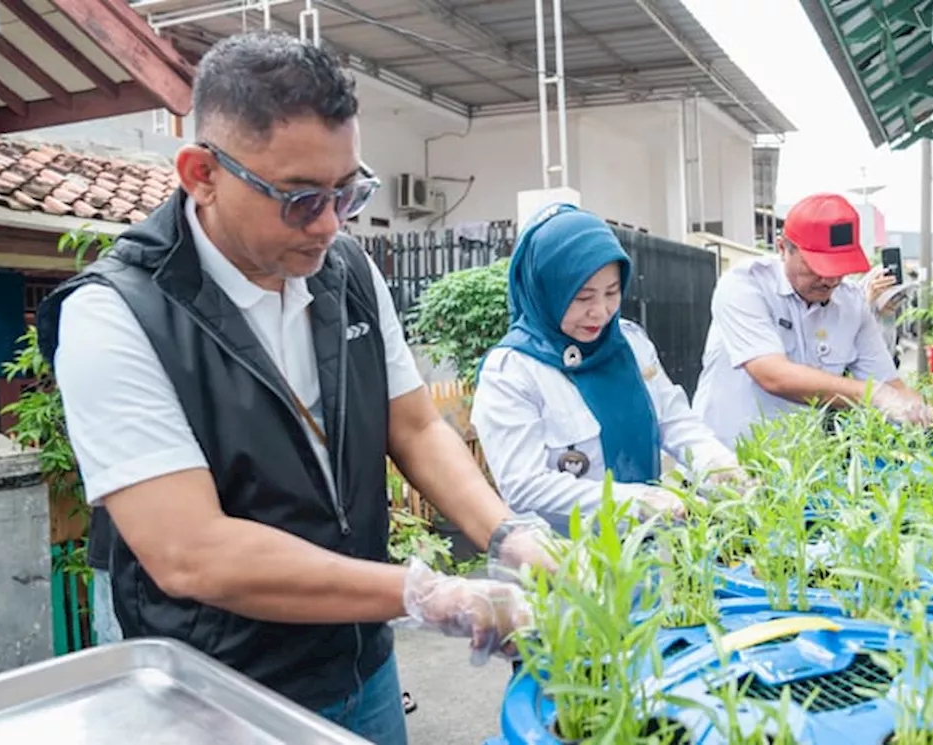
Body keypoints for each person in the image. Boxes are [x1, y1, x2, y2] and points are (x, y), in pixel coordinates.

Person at [35, 31, 550, 745]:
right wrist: (424, 591)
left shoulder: (346, 272)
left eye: (348, 191)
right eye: (301, 198)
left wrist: (506, 532)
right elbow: (191, 550)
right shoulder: (116, 314)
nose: (332, 223)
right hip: (220, 693)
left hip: (360, 667)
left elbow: (415, 424)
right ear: (200, 173)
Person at [470, 204, 746, 537]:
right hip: (564, 564)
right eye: (582, 297)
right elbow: (524, 485)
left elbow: (674, 422)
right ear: (545, 290)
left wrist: (717, 464)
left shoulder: (630, 344)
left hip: (647, 545)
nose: (600, 311)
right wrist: (633, 501)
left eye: (611, 293)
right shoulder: (512, 372)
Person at [691, 193, 933, 447]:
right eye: (817, 267)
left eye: (839, 268)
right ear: (783, 248)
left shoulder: (851, 305)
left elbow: (892, 385)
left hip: (801, 469)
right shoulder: (745, 287)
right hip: (726, 465)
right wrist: (873, 394)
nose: (830, 280)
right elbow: (773, 375)